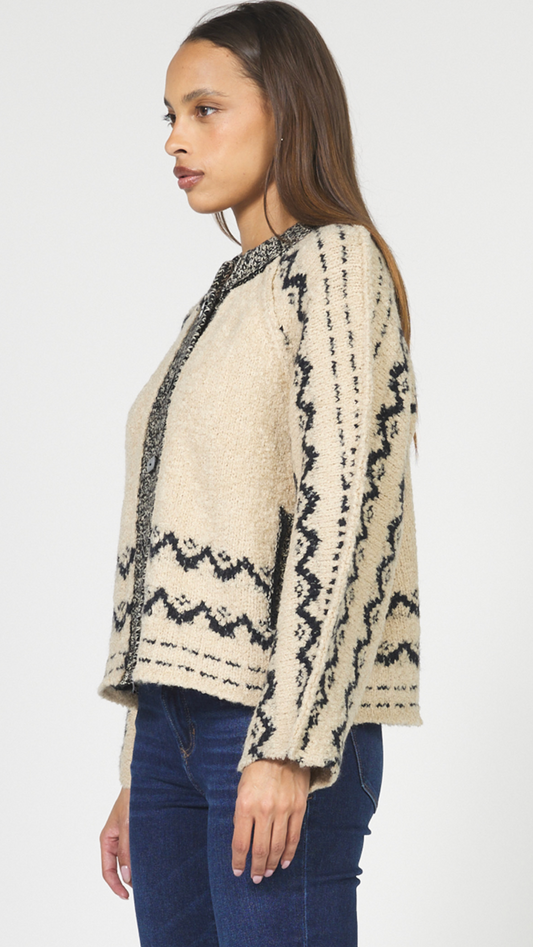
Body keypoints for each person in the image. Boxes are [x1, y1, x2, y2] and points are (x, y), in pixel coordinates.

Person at [97, 2, 422, 944]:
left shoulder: (336, 265)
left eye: (205, 110)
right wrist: (139, 762)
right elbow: (179, 532)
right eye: (169, 116)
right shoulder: (228, 295)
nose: (176, 139)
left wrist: (292, 744)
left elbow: (346, 510)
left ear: (287, 108)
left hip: (271, 723)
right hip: (175, 729)